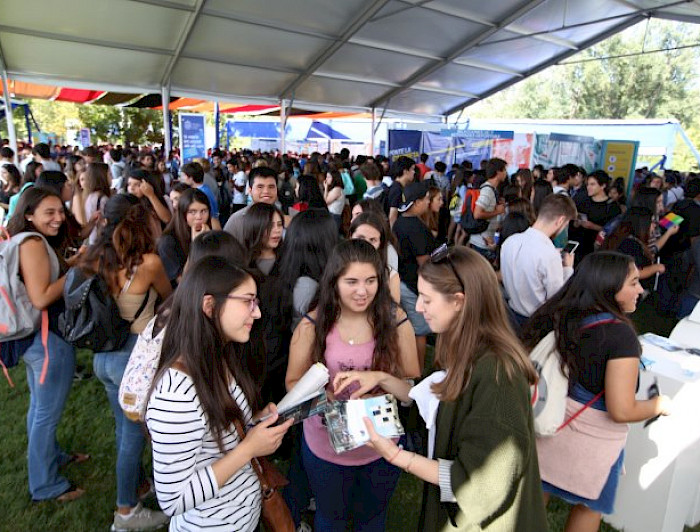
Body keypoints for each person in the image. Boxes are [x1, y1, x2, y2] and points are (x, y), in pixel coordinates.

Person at [333, 245, 548, 531]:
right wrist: (380, 378)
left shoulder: (498, 375)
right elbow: (430, 399)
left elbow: (483, 483)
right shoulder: (459, 348)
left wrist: (397, 456)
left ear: (459, 301)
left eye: (426, 299)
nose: (419, 308)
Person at [522, 252, 672, 531]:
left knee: (530, 502)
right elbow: (622, 410)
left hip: (545, 426)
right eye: (634, 283)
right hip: (592, 443)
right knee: (590, 505)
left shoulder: (562, 316)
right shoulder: (620, 337)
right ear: (610, 287)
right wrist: (658, 405)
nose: (640, 289)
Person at [146, 256, 294, 531]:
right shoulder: (176, 394)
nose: (257, 313)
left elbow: (214, 438)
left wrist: (252, 423)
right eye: (248, 301)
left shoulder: (217, 357)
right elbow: (174, 499)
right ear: (210, 306)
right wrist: (250, 447)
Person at [286, 239, 420, 532]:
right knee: (330, 519)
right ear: (334, 281)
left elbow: (412, 392)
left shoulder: (395, 319)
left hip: (382, 447)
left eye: (371, 280)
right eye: (352, 281)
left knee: (372, 520)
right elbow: (292, 384)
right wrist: (325, 399)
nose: (363, 291)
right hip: (325, 447)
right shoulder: (313, 323)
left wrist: (380, 377)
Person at [79, 194, 171, 531]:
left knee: (122, 430)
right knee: (134, 437)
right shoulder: (148, 263)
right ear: (140, 221)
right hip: (133, 361)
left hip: (103, 358)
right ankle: (125, 512)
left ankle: (136, 487)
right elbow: (169, 296)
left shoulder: (93, 258)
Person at [6, 188, 85, 502]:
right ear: (28, 214)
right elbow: (40, 297)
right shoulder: (34, 243)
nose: (58, 218)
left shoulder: (24, 239)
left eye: (60, 211)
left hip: (32, 340)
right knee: (45, 415)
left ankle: (52, 457)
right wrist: (77, 271)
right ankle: (45, 485)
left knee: (39, 408)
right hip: (47, 339)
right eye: (49, 213)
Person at [500, 194, 578, 326]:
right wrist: (568, 268)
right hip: (534, 320)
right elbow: (556, 298)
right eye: (566, 224)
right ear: (560, 221)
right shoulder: (549, 254)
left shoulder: (510, 241)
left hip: (510, 313)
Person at [393, 181, 436, 369]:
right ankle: (417, 370)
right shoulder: (414, 227)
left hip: (403, 279)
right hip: (411, 283)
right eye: (427, 199)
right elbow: (424, 262)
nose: (429, 202)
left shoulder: (400, 222)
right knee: (420, 331)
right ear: (416, 202)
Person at [158, 188, 211, 286]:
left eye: (203, 211)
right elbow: (182, 282)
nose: (199, 217)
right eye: (192, 212)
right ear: (183, 213)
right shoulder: (167, 242)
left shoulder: (209, 231)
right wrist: (196, 245)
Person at [350, 211, 401, 304]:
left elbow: (395, 313)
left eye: (372, 240)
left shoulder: (390, 276)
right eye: (360, 238)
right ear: (350, 236)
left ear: (380, 244)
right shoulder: (336, 267)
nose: (366, 244)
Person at [573, 170, 622, 262]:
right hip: (579, 248)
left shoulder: (612, 207)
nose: (589, 187)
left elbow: (615, 231)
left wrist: (593, 227)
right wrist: (576, 223)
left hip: (598, 251)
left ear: (603, 186)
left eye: (592, 184)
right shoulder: (582, 201)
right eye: (587, 184)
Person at [229, 202, 284, 276]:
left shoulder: (288, 260)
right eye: (270, 225)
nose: (277, 230)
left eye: (279, 224)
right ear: (256, 227)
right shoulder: (241, 264)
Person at [469, 158, 507, 261]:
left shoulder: (490, 189)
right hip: (482, 242)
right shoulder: (487, 190)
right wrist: (497, 211)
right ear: (498, 172)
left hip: (484, 240)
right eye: (504, 170)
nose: (506, 173)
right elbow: (477, 214)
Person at [179, 162, 219, 229]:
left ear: (191, 178)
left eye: (184, 176)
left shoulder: (200, 194)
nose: (182, 179)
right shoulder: (206, 188)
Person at [387, 156, 416, 227]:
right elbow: (392, 216)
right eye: (412, 169)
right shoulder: (396, 189)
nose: (414, 172)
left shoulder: (398, 187)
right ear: (405, 171)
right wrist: (393, 236)